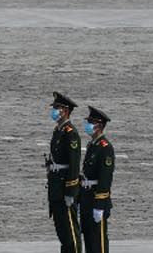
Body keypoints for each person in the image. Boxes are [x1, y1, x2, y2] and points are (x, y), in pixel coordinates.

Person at [45, 91, 82, 253]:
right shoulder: (58, 131)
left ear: (65, 111)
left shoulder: (70, 133)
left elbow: (73, 165)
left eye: (57, 108)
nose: (54, 111)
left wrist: (71, 192)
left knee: (71, 233)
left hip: (64, 189)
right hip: (56, 188)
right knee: (62, 232)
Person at [79, 106, 115, 253]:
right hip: (87, 199)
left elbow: (105, 178)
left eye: (91, 123)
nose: (88, 125)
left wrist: (99, 205)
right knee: (88, 240)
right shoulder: (92, 145)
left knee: (98, 243)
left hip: (96, 200)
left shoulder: (105, 148)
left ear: (99, 126)